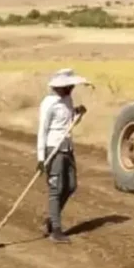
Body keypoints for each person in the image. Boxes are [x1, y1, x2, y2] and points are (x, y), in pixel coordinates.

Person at [36, 68, 89, 244]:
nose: (72, 88)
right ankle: (56, 231)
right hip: (53, 149)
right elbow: (42, 131)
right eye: (69, 86)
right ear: (61, 86)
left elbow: (69, 123)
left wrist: (78, 114)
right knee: (56, 189)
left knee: (71, 185)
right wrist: (41, 158)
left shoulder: (68, 100)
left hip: (67, 147)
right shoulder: (48, 103)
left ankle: (51, 220)